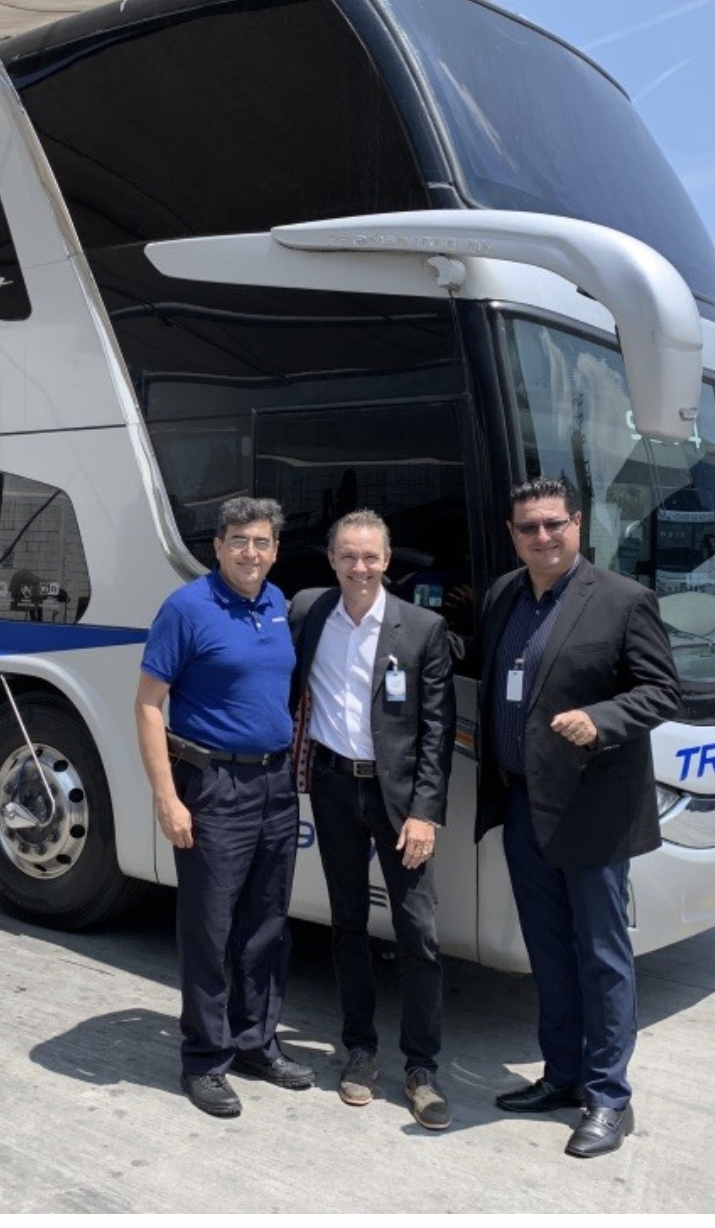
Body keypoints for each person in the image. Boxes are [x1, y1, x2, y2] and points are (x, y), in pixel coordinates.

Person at [478, 475, 680, 1158]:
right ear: (513, 535)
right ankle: (562, 1075)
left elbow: (660, 689)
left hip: (592, 809)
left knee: (602, 956)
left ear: (578, 524)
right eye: (528, 527)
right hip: (521, 803)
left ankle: (609, 1098)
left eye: (553, 524)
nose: (542, 537)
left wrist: (601, 719)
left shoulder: (623, 600)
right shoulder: (505, 595)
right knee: (549, 952)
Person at [135, 497, 313, 1118]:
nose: (250, 553)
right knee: (208, 928)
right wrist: (167, 797)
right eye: (238, 540)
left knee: (266, 924)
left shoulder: (276, 603)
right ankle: (205, 1059)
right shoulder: (187, 609)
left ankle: (257, 1043)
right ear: (217, 546)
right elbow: (149, 705)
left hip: (274, 786)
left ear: (274, 549)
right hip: (211, 787)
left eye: (262, 542)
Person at [288, 510, 456, 1130]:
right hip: (333, 787)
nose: (359, 567)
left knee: (419, 933)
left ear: (388, 561)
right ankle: (359, 1050)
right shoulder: (307, 612)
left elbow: (437, 732)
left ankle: (423, 1067)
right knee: (347, 924)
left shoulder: (422, 627)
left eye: (371, 557)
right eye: (347, 556)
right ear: (331, 559)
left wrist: (424, 813)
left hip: (399, 802)